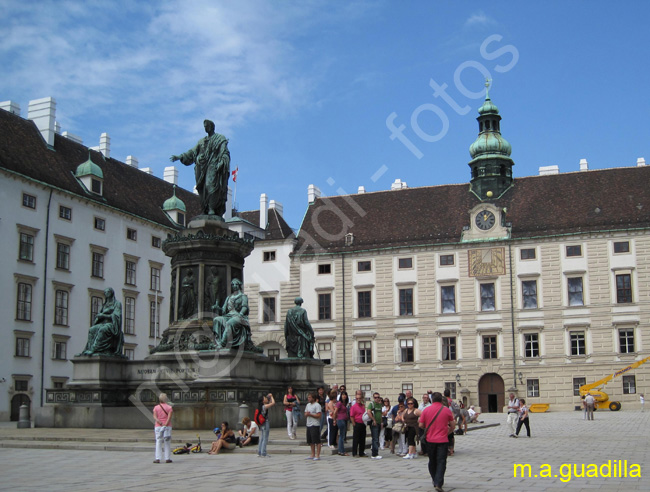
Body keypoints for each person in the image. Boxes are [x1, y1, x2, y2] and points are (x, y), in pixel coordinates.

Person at [170, 119, 230, 217]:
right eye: (204, 126)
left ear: (211, 127)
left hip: (213, 165)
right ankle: (205, 209)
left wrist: (222, 162)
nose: (205, 128)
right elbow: (192, 152)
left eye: (207, 126)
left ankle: (211, 208)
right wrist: (180, 156)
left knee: (210, 186)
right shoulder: (201, 141)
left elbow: (225, 153)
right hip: (201, 168)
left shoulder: (220, 139)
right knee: (201, 188)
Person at [419, 392, 455, 492]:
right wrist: (447, 432)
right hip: (443, 440)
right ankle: (438, 483)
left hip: (430, 440)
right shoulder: (446, 410)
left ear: (432, 399)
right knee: (441, 461)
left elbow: (421, 425)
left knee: (432, 461)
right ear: (441, 400)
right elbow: (453, 425)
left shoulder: (426, 410)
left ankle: (435, 479)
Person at [212, 279, 259, 352]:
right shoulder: (229, 297)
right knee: (216, 320)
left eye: (236, 284)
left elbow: (244, 307)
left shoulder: (243, 296)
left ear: (239, 285)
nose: (234, 286)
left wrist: (240, 314)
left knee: (229, 323)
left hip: (239, 316)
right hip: (228, 316)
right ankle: (217, 342)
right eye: (233, 284)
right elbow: (223, 309)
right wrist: (217, 307)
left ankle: (222, 344)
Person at [79, 287, 124, 357]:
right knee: (91, 330)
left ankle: (94, 349)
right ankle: (88, 349)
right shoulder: (105, 305)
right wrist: (99, 317)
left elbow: (116, 316)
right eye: (105, 292)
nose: (105, 294)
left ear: (111, 293)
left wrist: (103, 316)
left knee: (103, 330)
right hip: (102, 323)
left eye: (107, 292)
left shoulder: (117, 303)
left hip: (111, 324)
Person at [153, 393, 173, 464]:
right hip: (167, 427)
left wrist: (160, 423)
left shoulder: (156, 407)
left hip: (158, 426)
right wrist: (165, 424)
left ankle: (158, 458)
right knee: (167, 442)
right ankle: (167, 458)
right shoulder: (169, 407)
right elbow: (169, 417)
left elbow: (155, 417)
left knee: (158, 441)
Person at [349, 390, 368, 457]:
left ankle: (361, 452)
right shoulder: (353, 407)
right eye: (357, 399)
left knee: (362, 439)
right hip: (357, 423)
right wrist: (354, 424)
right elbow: (351, 416)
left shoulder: (363, 406)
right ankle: (354, 453)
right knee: (356, 439)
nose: (358, 400)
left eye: (359, 398)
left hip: (363, 424)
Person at [304, 392, 322, 460]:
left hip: (315, 424)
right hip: (308, 424)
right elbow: (305, 414)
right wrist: (307, 414)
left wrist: (310, 414)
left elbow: (319, 415)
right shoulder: (308, 405)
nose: (308, 399)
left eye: (310, 397)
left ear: (313, 398)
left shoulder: (317, 405)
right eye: (308, 397)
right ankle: (312, 454)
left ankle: (318, 455)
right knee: (310, 441)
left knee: (317, 440)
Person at [257, 392, 275, 457]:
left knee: (262, 437)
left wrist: (268, 397)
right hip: (265, 422)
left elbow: (269, 402)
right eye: (264, 398)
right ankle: (263, 452)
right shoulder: (264, 406)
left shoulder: (260, 407)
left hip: (261, 423)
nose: (266, 399)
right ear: (263, 401)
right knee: (265, 438)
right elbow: (273, 403)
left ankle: (260, 451)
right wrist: (272, 396)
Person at [367, 392, 383, 459]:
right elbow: (369, 412)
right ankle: (374, 454)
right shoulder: (372, 404)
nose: (377, 398)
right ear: (373, 398)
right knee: (375, 438)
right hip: (374, 423)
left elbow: (380, 414)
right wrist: (373, 420)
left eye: (378, 397)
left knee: (377, 438)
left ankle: (375, 452)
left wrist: (381, 422)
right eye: (375, 397)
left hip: (379, 423)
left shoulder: (380, 405)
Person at [333, 391, 350, 456]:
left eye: (345, 395)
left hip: (344, 419)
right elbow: (335, 412)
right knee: (342, 436)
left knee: (342, 435)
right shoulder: (339, 403)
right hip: (340, 420)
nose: (344, 396)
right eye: (343, 395)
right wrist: (334, 420)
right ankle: (342, 451)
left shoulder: (345, 403)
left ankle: (341, 450)